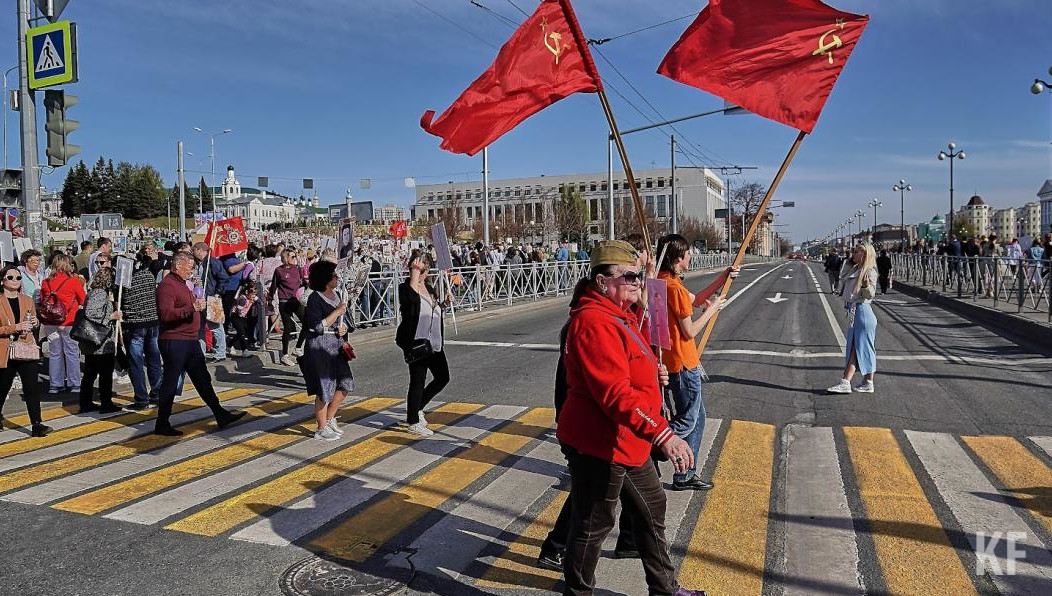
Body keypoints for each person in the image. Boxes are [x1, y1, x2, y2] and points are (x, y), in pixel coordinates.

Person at [557, 240, 703, 596]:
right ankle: (577, 592)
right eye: (631, 276)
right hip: (601, 442)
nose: (639, 282)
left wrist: (654, 376)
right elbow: (614, 393)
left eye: (639, 275)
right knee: (592, 526)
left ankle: (665, 589)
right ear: (602, 281)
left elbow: (639, 355)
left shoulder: (620, 316)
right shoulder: (593, 321)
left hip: (628, 441)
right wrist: (664, 434)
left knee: (652, 508)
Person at [656, 233, 735, 492]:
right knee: (688, 419)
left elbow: (696, 299)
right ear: (679, 258)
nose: (691, 256)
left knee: (698, 417)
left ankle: (685, 474)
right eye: (688, 253)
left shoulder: (660, 282)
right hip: (682, 362)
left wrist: (722, 278)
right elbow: (689, 331)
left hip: (671, 361)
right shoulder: (674, 288)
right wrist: (713, 310)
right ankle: (651, 443)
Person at [154, 252, 246, 436]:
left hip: (189, 340)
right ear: (178, 266)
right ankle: (162, 422)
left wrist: (196, 299)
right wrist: (191, 308)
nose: (191, 271)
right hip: (175, 340)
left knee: (202, 379)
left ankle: (220, 413)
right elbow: (165, 314)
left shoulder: (182, 284)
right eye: (189, 268)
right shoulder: (167, 286)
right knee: (171, 382)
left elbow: (188, 305)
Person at [395, 249, 451, 437]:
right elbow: (411, 302)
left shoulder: (429, 288)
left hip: (434, 342)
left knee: (443, 377)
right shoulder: (406, 288)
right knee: (417, 382)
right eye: (419, 268)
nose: (423, 273)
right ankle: (413, 421)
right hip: (416, 343)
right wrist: (414, 273)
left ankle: (417, 408)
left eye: (425, 269)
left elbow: (432, 310)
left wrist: (443, 304)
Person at [302, 260, 354, 441]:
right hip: (320, 346)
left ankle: (330, 418)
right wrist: (336, 313)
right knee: (324, 388)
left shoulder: (338, 295)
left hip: (336, 344)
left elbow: (344, 322)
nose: (337, 278)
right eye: (333, 275)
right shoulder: (314, 298)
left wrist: (343, 328)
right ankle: (321, 427)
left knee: (345, 384)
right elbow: (316, 326)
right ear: (325, 278)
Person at [0, 265, 50, 436]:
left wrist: (35, 323)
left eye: (18, 278)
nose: (15, 281)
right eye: (11, 277)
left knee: (31, 388)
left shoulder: (27, 300)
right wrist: (15, 327)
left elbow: (33, 320)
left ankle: (37, 424)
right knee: (3, 387)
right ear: (2, 281)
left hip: (26, 348)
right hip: (6, 351)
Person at [828, 244, 879, 394]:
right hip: (855, 311)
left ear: (865, 254)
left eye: (856, 251)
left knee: (855, 348)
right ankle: (868, 382)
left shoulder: (869, 272)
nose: (853, 253)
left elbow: (870, 294)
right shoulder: (855, 268)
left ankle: (846, 382)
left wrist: (864, 286)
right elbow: (842, 278)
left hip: (862, 311)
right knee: (862, 348)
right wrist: (850, 260)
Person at [121, 246, 163, 410]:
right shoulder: (149, 275)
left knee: (136, 362)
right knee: (153, 360)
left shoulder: (125, 280)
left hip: (135, 324)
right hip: (153, 323)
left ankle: (141, 398)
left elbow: (122, 301)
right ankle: (157, 393)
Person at [77, 267, 123, 414]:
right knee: (104, 373)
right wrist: (111, 316)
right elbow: (91, 312)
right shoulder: (100, 293)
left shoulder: (94, 291)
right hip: (100, 341)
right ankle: (106, 403)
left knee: (91, 373)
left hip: (93, 341)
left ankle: (86, 403)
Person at [39, 253, 86, 394]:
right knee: (71, 352)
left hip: (50, 321)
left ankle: (55, 384)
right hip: (69, 321)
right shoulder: (73, 281)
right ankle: (74, 383)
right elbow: (84, 300)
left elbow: (42, 301)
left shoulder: (46, 282)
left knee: (55, 353)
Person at [268, 248, 305, 366]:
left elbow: (302, 282)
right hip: (284, 301)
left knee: (307, 323)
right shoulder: (279, 270)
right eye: (293, 257)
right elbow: (274, 286)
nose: (295, 259)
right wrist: (270, 299)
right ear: (286, 258)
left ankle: (298, 348)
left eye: (296, 256)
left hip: (296, 300)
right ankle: (285, 355)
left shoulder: (298, 269)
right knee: (287, 328)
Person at [193, 242, 229, 361]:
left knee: (215, 326)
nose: (193, 253)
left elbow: (223, 278)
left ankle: (220, 352)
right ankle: (201, 352)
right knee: (200, 326)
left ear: (200, 251)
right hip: (200, 298)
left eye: (194, 250)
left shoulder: (212, 262)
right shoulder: (199, 263)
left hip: (212, 297)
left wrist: (217, 293)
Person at [230, 280, 261, 354]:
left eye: (255, 294)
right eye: (252, 294)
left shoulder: (252, 297)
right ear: (247, 292)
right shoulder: (242, 299)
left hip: (242, 317)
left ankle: (229, 345)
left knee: (240, 333)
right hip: (236, 317)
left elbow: (259, 301)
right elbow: (238, 310)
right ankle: (244, 350)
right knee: (242, 333)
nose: (254, 296)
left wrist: (261, 303)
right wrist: (241, 314)